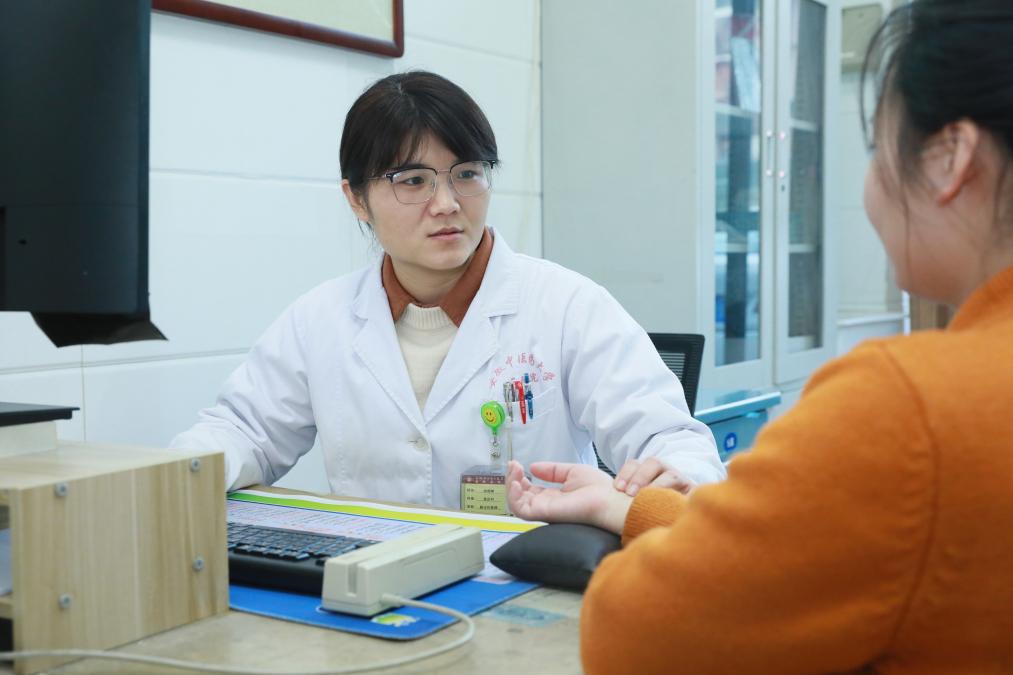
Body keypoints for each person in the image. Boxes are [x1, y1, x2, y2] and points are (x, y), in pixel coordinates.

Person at [505, 1, 1013, 672]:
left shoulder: (906, 406)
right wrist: (624, 507)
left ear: (950, 160)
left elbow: (637, 630)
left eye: (876, 149)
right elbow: (818, 554)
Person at [171, 71, 724, 509]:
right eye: (413, 180)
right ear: (356, 199)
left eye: (466, 173)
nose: (447, 203)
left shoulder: (567, 307)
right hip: (367, 583)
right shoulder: (320, 319)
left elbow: (673, 441)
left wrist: (674, 474)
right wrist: (171, 477)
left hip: (524, 577)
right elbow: (242, 431)